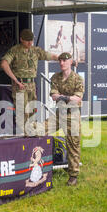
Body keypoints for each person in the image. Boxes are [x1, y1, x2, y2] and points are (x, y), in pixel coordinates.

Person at [1, 29, 59, 134]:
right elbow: (4, 63)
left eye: (31, 40)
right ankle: (23, 135)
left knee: (32, 110)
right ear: (21, 39)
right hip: (20, 85)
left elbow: (50, 56)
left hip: (32, 85)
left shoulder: (35, 51)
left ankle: (31, 134)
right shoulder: (15, 50)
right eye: (27, 41)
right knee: (22, 113)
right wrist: (15, 80)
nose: (30, 43)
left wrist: (62, 58)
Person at [47, 52, 84, 186]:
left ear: (70, 62)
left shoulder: (78, 79)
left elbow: (78, 98)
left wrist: (64, 97)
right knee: (40, 130)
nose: (62, 63)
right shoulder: (55, 77)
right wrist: (68, 97)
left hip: (72, 115)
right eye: (60, 61)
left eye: (65, 60)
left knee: (73, 144)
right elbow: (53, 95)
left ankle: (73, 175)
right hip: (59, 113)